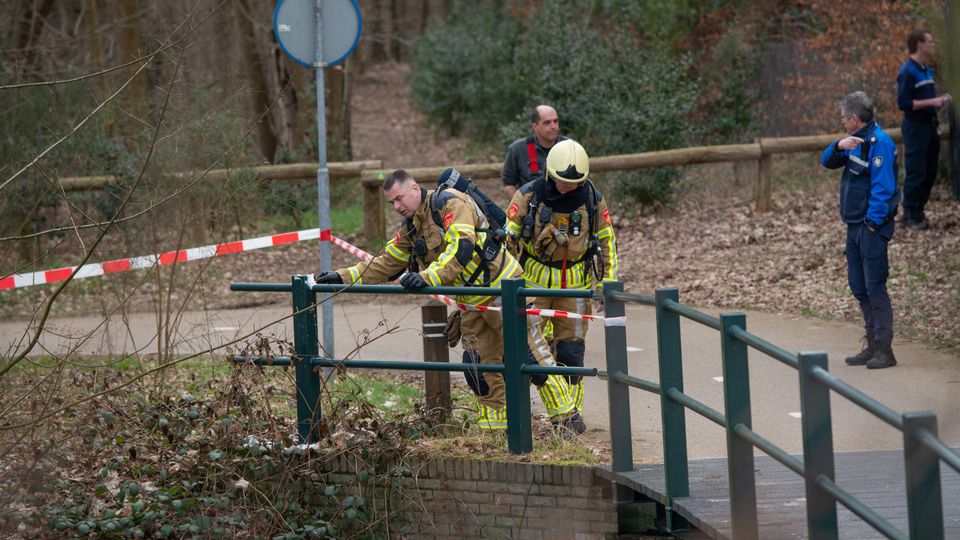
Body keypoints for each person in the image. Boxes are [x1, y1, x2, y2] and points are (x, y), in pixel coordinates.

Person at [314, 170, 585, 433]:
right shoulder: (411, 227)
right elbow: (385, 263)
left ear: (414, 189)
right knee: (479, 368)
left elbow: (460, 247)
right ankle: (495, 430)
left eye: (399, 199)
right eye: (391, 203)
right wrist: (341, 277)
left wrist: (428, 276)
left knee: (531, 357)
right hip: (471, 302)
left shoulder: (450, 203)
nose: (397, 206)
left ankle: (566, 418)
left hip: (503, 289)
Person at [504, 140, 619, 409]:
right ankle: (538, 411)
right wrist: (506, 284)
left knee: (571, 352)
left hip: (575, 286)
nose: (568, 188)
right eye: (562, 181)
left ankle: (570, 417)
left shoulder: (592, 198)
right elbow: (507, 240)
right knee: (527, 350)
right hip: (532, 285)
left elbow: (607, 241)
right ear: (549, 173)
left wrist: (607, 284)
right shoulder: (528, 196)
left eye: (575, 183)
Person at [820, 91, 899, 369]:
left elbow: (883, 188)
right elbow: (826, 161)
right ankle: (872, 342)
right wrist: (838, 146)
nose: (842, 121)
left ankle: (885, 349)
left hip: (870, 227)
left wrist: (873, 223)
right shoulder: (853, 142)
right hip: (853, 225)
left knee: (874, 285)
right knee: (859, 285)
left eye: (843, 118)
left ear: (854, 119)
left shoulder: (880, 143)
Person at [897, 29, 952, 230]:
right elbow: (903, 103)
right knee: (916, 171)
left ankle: (919, 211)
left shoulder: (926, 70)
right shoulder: (907, 71)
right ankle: (909, 215)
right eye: (929, 41)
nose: (932, 45)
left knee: (930, 170)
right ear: (919, 44)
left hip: (931, 124)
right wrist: (933, 101)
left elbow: (926, 100)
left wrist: (939, 103)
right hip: (915, 127)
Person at [501, 105, 567, 199]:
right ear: (535, 126)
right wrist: (523, 207)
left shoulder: (570, 147)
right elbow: (508, 185)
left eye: (555, 121)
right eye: (547, 123)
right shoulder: (518, 149)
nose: (553, 126)